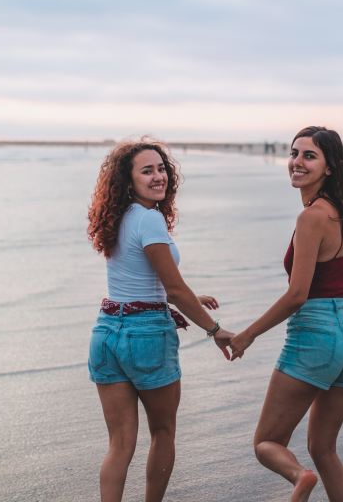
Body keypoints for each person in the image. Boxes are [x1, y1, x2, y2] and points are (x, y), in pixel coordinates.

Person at [230, 126, 343, 502]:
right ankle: (309, 475)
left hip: (315, 336)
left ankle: (299, 479)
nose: (297, 162)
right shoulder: (342, 209)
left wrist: (247, 334)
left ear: (330, 167)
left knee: (267, 443)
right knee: (324, 449)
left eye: (309, 156)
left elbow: (297, 295)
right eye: (294, 153)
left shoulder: (311, 218)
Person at [86, 139, 233, 502]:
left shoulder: (116, 217)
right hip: (146, 336)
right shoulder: (150, 220)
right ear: (128, 179)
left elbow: (140, 281)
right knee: (163, 432)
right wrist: (215, 330)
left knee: (119, 445)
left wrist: (186, 295)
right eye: (147, 170)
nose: (158, 177)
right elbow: (174, 289)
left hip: (106, 332)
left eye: (161, 168)